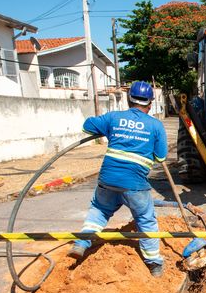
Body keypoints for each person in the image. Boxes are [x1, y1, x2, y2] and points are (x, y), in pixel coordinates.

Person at [68, 81, 168, 277]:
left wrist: (110, 128)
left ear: (129, 99)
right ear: (150, 104)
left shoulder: (114, 117)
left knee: (99, 210)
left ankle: (81, 243)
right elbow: (161, 157)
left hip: (108, 179)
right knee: (146, 220)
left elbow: (88, 126)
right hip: (135, 184)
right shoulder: (155, 125)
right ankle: (154, 264)